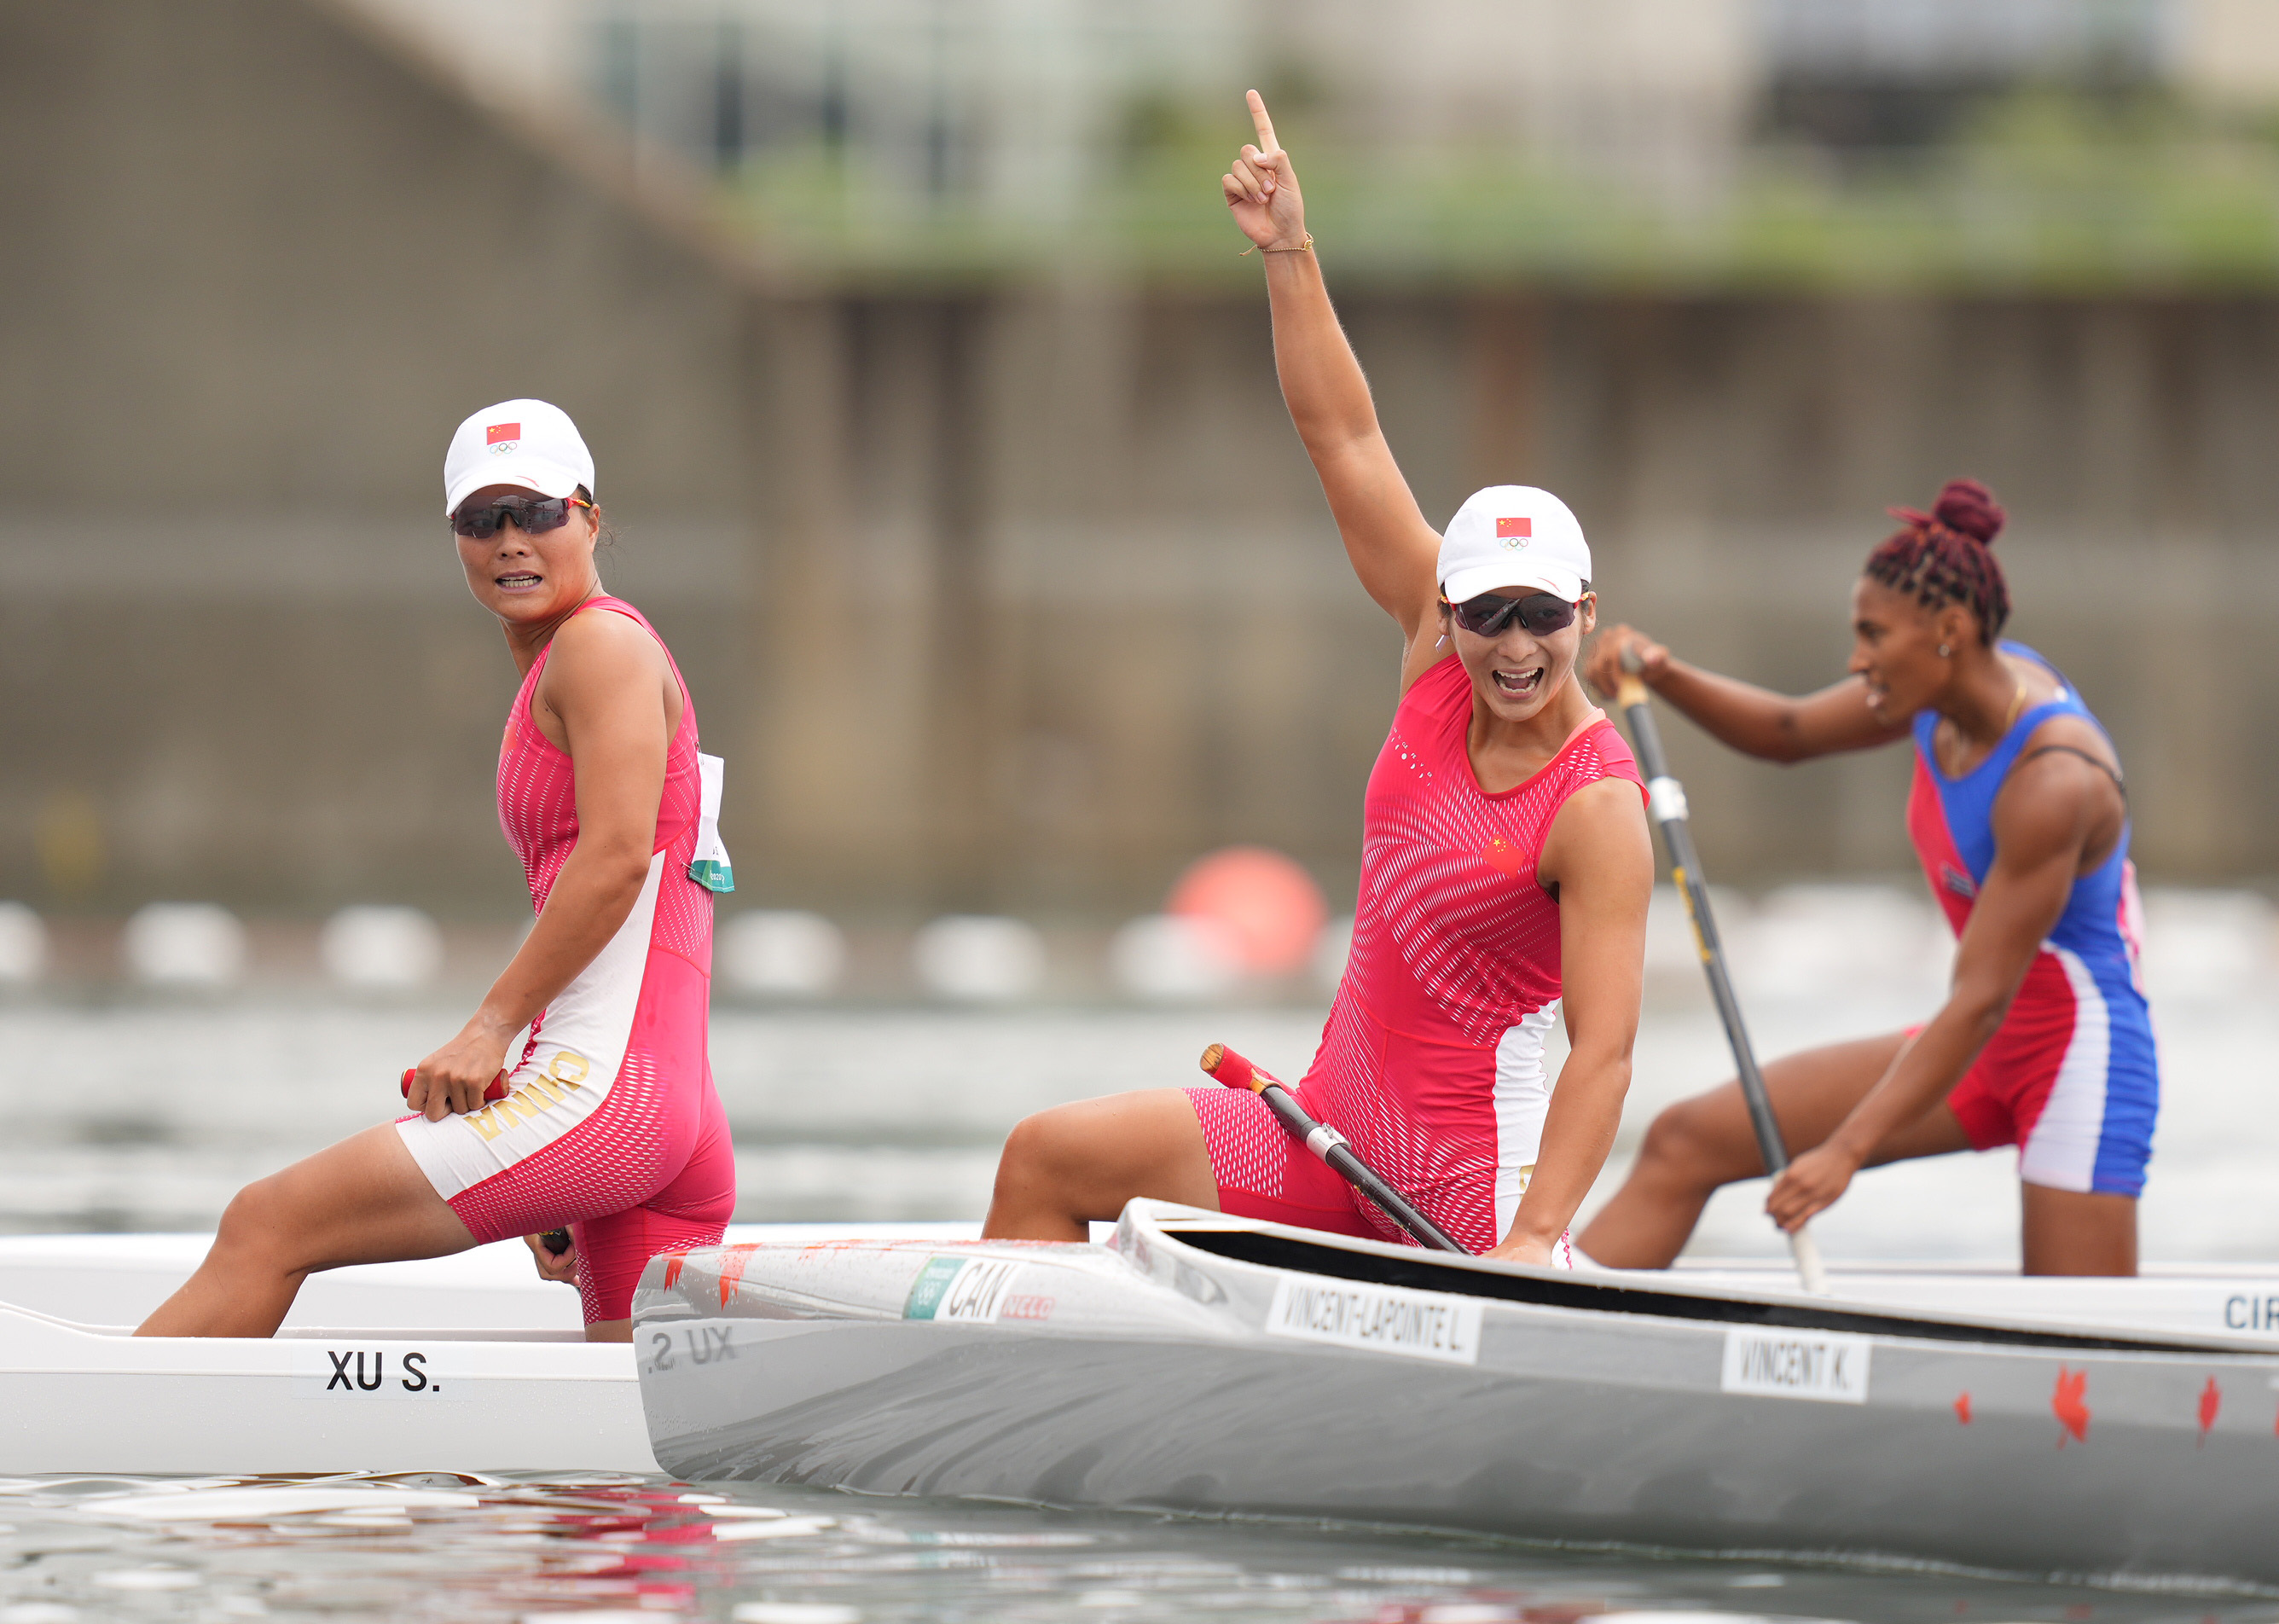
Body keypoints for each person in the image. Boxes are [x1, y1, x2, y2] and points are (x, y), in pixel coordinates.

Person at [983, 93, 1653, 1264]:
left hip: (1460, 1203)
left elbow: (1604, 1053)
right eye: (1485, 611)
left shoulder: (1599, 809)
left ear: (1583, 613)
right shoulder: (1433, 652)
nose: (1510, 645)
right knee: (1046, 1157)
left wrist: (1534, 1242)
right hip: (1320, 1135)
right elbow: (1344, 437)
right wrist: (1290, 252)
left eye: (1540, 616)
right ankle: (994, 1436)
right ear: (1446, 609)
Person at [139, 399, 736, 1341]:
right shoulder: (579, 656)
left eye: (535, 512)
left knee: (265, 1224)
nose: (509, 541)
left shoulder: (601, 645)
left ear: (588, 513)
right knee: (626, 1466)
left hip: (607, 1099)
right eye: (479, 519)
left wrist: (491, 1029)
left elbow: (618, 860)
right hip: (660, 1109)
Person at [1578, 478, 2153, 1277]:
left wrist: (1845, 1153)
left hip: (2078, 1056)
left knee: (2081, 1361)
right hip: (1983, 1040)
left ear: (1949, 630)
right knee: (1686, 1140)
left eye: (1872, 635)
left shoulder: (2056, 783)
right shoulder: (1943, 691)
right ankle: (1541, 1318)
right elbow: (1788, 730)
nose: (1857, 660)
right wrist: (1665, 676)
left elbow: (1980, 996)